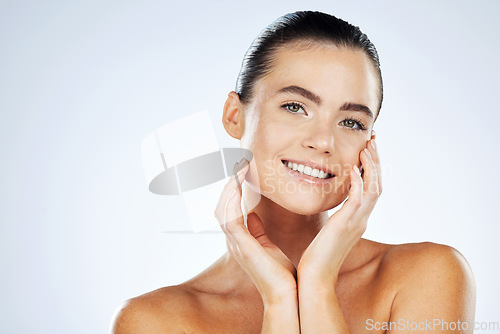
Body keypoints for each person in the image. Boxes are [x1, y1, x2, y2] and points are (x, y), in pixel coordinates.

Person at [111, 11, 475, 333]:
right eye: (295, 106)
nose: (323, 141)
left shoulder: (427, 276)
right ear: (234, 116)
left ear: (369, 145)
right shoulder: (153, 322)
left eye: (350, 121)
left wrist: (316, 284)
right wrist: (280, 299)